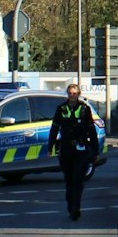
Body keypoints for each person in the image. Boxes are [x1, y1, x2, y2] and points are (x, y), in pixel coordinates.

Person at [46, 83, 99, 220]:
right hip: (66, 150)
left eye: (74, 93)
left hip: (81, 150)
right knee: (69, 181)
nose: (72, 95)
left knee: (78, 180)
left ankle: (76, 208)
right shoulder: (61, 109)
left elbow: (92, 130)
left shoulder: (85, 109)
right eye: (70, 93)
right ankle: (70, 207)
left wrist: (95, 151)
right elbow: (54, 129)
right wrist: (50, 147)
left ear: (78, 94)